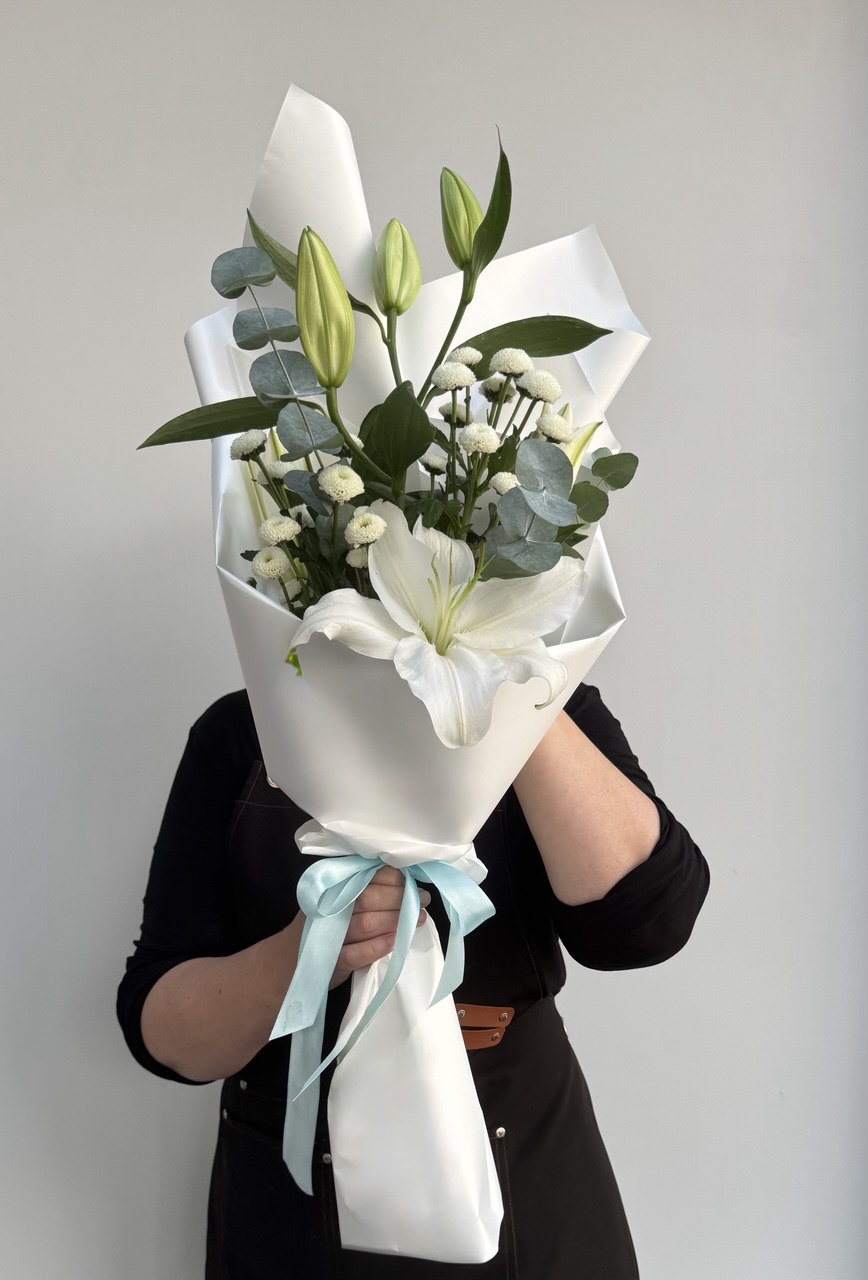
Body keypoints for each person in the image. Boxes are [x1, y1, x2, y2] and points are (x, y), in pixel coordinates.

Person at [118, 681, 709, 1279]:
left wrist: (518, 686)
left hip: (522, 1159)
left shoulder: (548, 701)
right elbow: (159, 1031)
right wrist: (301, 958)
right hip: (291, 1185)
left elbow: (646, 928)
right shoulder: (244, 730)